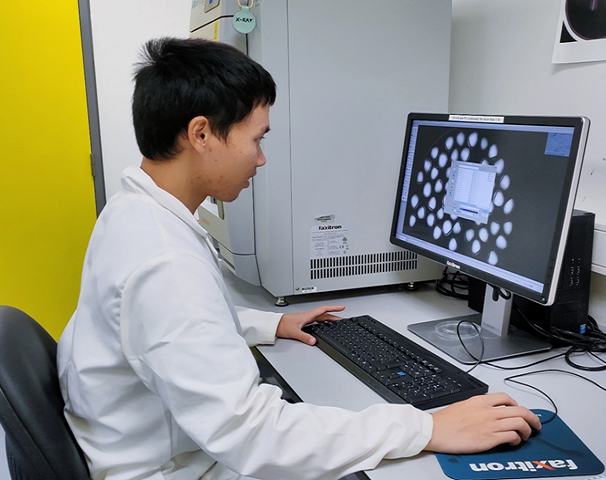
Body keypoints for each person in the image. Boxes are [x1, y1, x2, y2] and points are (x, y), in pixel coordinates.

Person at [57, 37, 541, 480]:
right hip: (172, 469)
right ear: (201, 134)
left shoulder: (133, 211)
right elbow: (253, 436)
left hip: (140, 443)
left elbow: (167, 330)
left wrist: (269, 325)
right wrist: (424, 427)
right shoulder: (164, 261)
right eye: (257, 138)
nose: (261, 159)